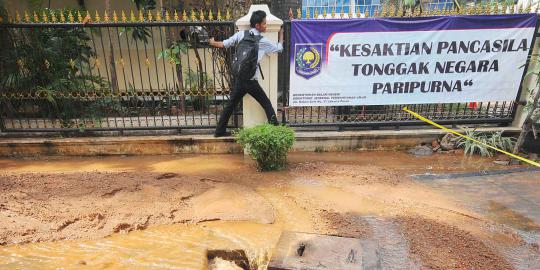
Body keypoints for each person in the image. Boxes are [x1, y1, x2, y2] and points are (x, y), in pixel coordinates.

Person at [209, 10, 284, 137]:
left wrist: (212, 42)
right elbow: (278, 48)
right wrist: (281, 35)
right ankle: (276, 130)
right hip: (251, 81)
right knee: (266, 104)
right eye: (264, 23)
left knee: (230, 105)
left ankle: (219, 131)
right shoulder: (261, 40)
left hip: (240, 79)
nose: (266, 26)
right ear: (257, 26)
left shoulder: (241, 34)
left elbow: (225, 44)